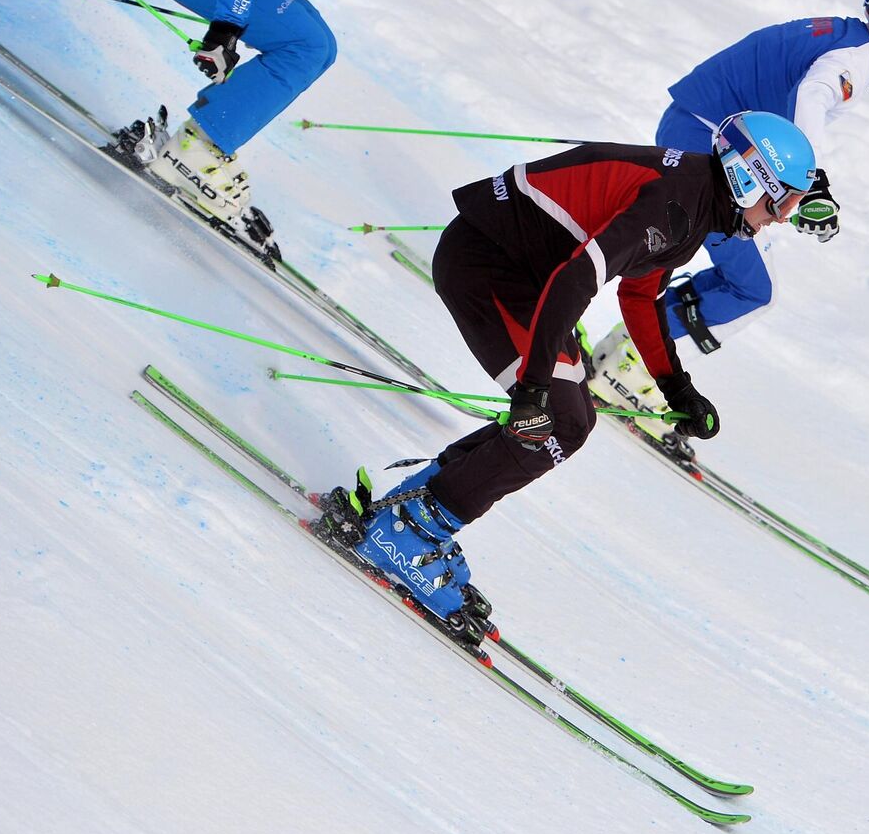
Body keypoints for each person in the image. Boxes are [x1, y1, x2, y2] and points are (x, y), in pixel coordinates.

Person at [306, 113, 820, 644]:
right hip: (490, 265)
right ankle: (409, 532)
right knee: (559, 422)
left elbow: (639, 295)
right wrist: (531, 388)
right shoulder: (674, 205)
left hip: (518, 271)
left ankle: (414, 512)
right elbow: (577, 276)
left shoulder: (693, 204)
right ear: (746, 176)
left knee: (569, 419)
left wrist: (676, 388)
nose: (780, 217)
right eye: (779, 201)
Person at [587, 0, 869, 420]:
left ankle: (621, 351)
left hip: (705, 134)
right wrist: (811, 184)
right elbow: (812, 97)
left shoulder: (849, 40)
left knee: (709, 265)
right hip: (710, 145)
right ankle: (626, 364)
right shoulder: (855, 58)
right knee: (753, 288)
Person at [111, 0, 480, 249]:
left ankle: (202, 140)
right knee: (305, 47)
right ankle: (196, 151)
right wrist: (227, 26)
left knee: (320, 48)